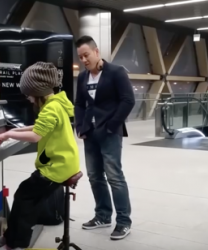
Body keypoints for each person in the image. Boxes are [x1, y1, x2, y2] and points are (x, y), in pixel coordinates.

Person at [0, 62, 80, 250]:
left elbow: (36, 136)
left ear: (38, 92)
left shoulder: (51, 108)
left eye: (29, 94)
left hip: (57, 167)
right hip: (66, 163)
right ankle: (10, 239)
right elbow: (41, 127)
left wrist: (8, 134)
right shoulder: (58, 102)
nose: (28, 99)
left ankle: (15, 245)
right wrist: (19, 128)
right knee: (28, 198)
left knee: (24, 197)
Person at [74, 35, 135, 240]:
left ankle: (124, 222)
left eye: (86, 55)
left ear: (97, 52)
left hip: (109, 132)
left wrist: (111, 125)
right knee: (95, 177)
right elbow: (80, 103)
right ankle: (102, 215)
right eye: (80, 57)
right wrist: (80, 126)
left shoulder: (116, 72)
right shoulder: (82, 78)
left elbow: (128, 100)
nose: (84, 60)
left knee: (115, 177)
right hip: (89, 134)